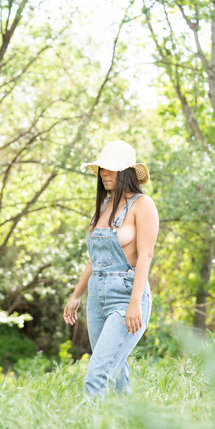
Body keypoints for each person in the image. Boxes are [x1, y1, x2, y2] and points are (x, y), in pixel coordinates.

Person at [63, 140, 159, 399]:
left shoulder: (142, 205)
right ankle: (127, 425)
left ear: (127, 171)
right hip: (97, 297)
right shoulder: (104, 206)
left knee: (98, 371)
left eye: (111, 168)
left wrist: (135, 303)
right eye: (102, 168)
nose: (105, 173)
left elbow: (146, 256)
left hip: (126, 295)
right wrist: (76, 296)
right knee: (115, 369)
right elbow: (94, 260)